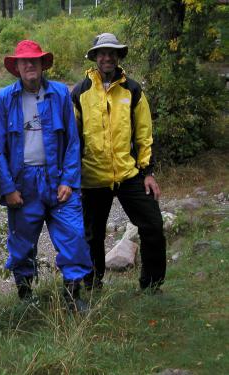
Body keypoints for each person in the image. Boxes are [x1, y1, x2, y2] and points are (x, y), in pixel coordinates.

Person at [0, 40, 92, 311]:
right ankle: (26, 298)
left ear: (41, 64)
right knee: (22, 244)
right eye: (24, 61)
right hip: (23, 185)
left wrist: (69, 180)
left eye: (34, 60)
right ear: (17, 68)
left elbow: (73, 141)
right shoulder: (5, 98)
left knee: (74, 234)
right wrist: (8, 188)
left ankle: (73, 296)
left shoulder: (60, 93)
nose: (29, 65)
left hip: (58, 180)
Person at [71, 33, 166, 293]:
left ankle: (152, 285)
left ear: (118, 56)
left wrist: (147, 172)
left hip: (128, 174)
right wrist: (72, 176)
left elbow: (144, 133)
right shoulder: (80, 92)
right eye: (102, 53)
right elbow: (72, 139)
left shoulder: (132, 90)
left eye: (112, 53)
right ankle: (93, 285)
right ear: (95, 57)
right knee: (92, 236)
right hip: (92, 177)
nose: (107, 57)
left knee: (153, 225)